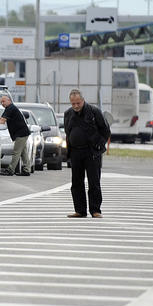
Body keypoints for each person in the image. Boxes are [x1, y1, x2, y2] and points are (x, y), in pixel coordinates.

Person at [62, 88, 110, 218]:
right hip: (75, 152)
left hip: (91, 152)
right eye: (73, 103)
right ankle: (80, 210)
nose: (76, 106)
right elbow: (67, 131)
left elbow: (105, 130)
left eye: (78, 103)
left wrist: (99, 145)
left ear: (83, 100)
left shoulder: (94, 112)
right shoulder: (68, 114)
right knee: (76, 182)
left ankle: (95, 210)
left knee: (94, 182)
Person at [0, 94, 31, 176]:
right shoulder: (9, 108)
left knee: (16, 152)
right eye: (1, 102)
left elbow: (3, 120)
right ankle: (26, 169)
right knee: (23, 152)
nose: (2, 103)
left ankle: (10, 170)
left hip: (21, 133)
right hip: (22, 133)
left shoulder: (10, 108)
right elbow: (1, 118)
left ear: (9, 101)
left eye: (3, 101)